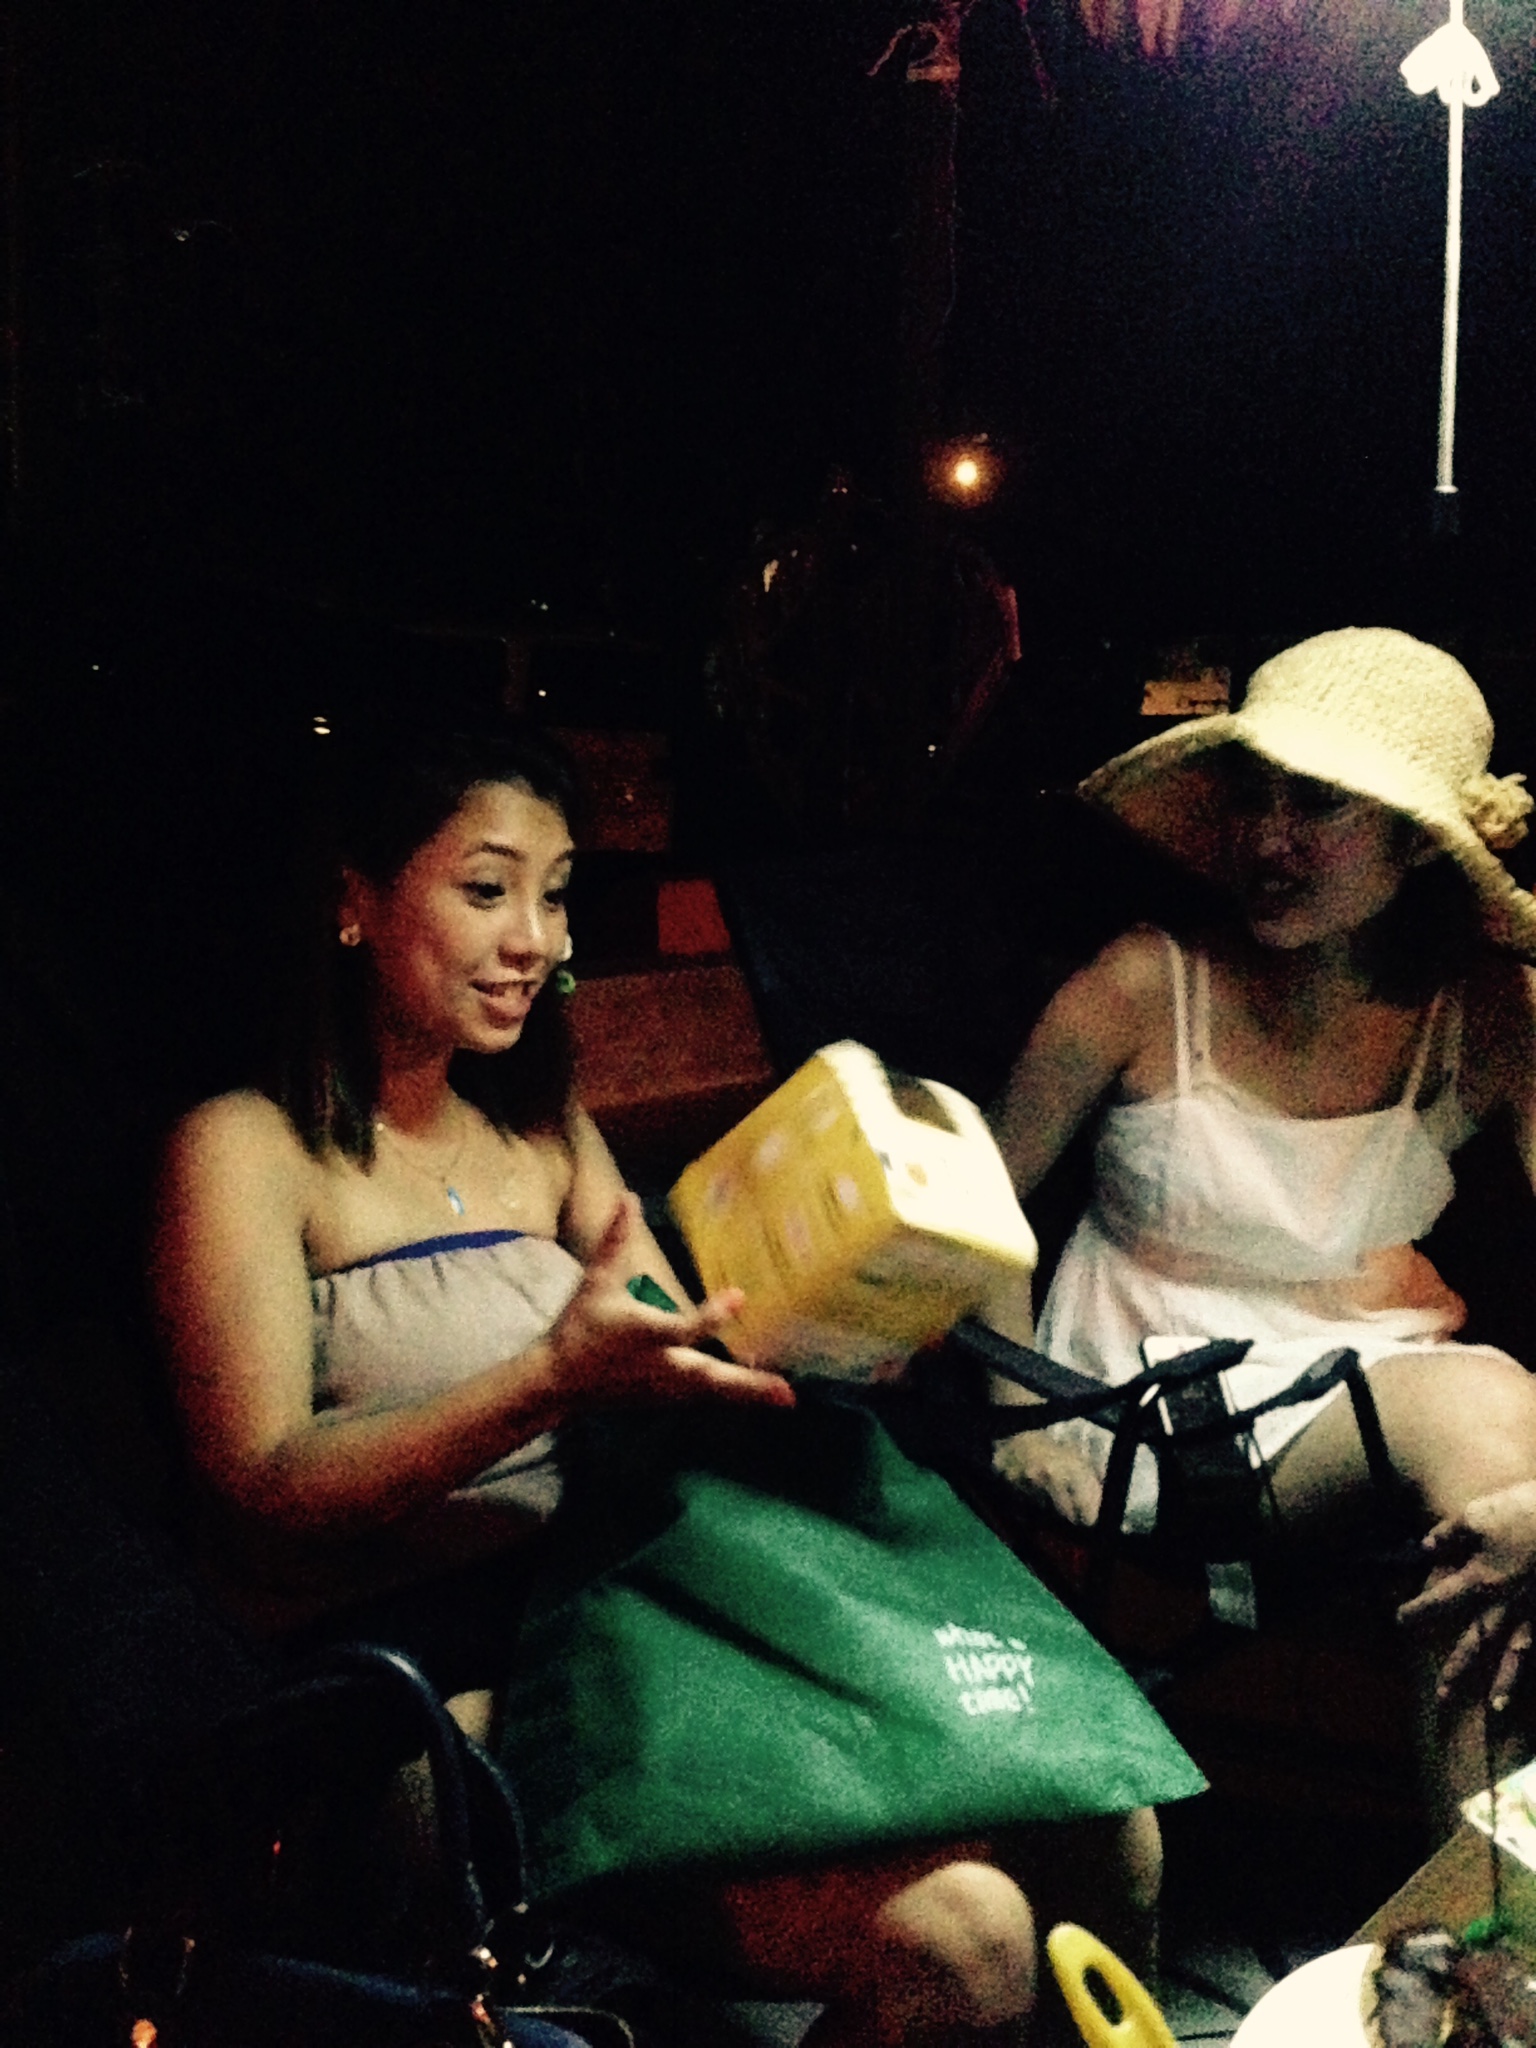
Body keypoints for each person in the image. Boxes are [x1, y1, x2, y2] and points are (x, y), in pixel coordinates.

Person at [151, 719, 1157, 2048]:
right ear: (354, 901)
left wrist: (843, 1325)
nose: (536, 940)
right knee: (966, 1938)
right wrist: (545, 1382)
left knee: (1108, 1831)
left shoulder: (540, 1132)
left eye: (558, 894)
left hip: (644, 1610)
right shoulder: (248, 1148)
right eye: (487, 888)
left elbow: (684, 1356)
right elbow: (261, 1489)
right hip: (434, 1687)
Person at [986, 626, 1536, 1830]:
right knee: (1497, 1421)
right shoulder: (1144, 982)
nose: (1267, 839)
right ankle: (1486, 1918)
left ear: (1416, 841)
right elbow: (974, 1196)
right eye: (1254, 794)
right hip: (1155, 1405)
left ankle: (1482, 1907)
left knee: (1510, 1534)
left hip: (1373, 1373)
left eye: (1318, 804)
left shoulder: (1487, 1013)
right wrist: (1018, 1412)